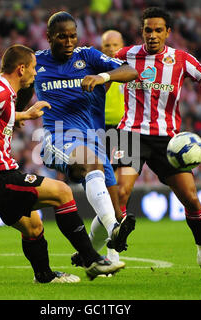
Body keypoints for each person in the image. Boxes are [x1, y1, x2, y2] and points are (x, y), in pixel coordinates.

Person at [0, 44, 124, 283]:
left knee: (33, 226)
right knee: (62, 192)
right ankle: (92, 259)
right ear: (20, 69)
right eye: (33, 68)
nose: (36, 73)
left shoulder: (2, 91)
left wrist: (24, 115)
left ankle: (45, 276)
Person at [114, 7, 201, 274]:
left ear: (168, 32)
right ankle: (107, 253)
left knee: (190, 198)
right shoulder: (125, 55)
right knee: (120, 192)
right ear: (141, 31)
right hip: (130, 133)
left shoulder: (181, 59)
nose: (152, 35)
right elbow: (99, 68)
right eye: (147, 30)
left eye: (157, 30)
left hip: (167, 140)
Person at [34, 11, 138, 271]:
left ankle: (87, 257)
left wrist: (103, 77)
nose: (69, 42)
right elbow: (14, 88)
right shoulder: (35, 62)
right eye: (62, 37)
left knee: (114, 211)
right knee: (110, 212)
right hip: (59, 136)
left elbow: (131, 71)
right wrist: (19, 114)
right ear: (48, 37)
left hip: (96, 139)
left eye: (72, 36)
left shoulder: (88, 56)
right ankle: (114, 230)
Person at [87, 29, 126, 266]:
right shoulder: (98, 72)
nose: (111, 49)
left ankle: (102, 249)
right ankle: (106, 252)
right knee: (107, 190)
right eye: (106, 46)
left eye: (115, 45)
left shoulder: (127, 71)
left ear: (122, 46)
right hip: (101, 132)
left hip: (125, 133)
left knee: (121, 193)